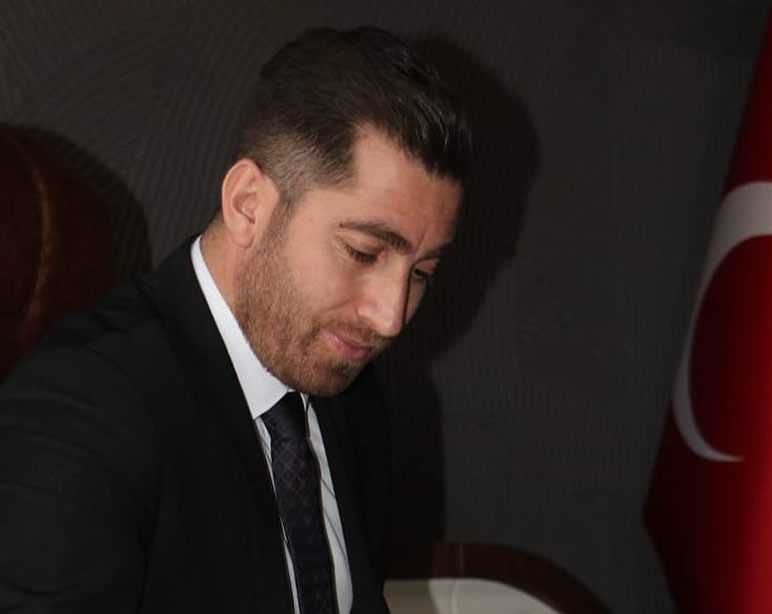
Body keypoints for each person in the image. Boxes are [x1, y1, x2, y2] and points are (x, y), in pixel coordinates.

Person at [0, 27, 471, 614]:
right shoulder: (85, 409)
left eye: (422, 272)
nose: (390, 317)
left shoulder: (351, 394)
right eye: (362, 251)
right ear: (249, 204)